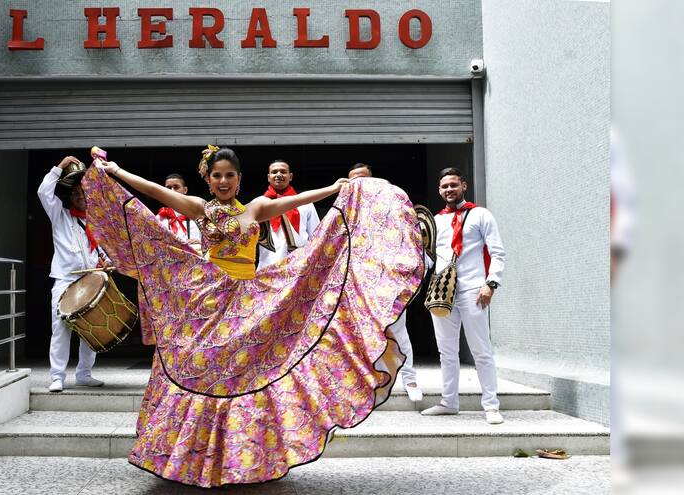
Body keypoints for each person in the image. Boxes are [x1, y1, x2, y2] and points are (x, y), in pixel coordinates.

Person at [80, 147, 424, 487]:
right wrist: (117, 173)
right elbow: (155, 192)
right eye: (217, 175)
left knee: (246, 377)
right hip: (206, 301)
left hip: (247, 302)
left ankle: (246, 458)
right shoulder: (201, 208)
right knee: (205, 374)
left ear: (240, 178)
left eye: (230, 175)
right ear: (208, 179)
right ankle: (189, 455)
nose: (224, 181)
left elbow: (299, 200)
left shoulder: (256, 208)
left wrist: (334, 189)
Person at [420, 167, 506, 424]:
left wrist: (490, 283)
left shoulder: (480, 215)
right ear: (439, 190)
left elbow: (498, 252)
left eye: (453, 185)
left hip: (473, 289)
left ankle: (491, 406)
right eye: (445, 186)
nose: (449, 190)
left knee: (481, 350)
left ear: (464, 186)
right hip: (443, 292)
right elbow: (429, 258)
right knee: (446, 351)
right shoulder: (435, 220)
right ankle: (449, 402)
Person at [348, 163, 424, 402]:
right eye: (354, 181)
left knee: (398, 328)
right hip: (359, 282)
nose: (360, 185)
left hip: (390, 280)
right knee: (363, 334)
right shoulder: (346, 212)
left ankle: (409, 379)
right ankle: (373, 382)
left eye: (364, 179)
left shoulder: (392, 205)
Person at [37, 154, 109, 393]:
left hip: (90, 279)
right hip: (65, 279)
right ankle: (57, 376)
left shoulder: (97, 221)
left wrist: (105, 263)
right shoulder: (59, 215)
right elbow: (43, 192)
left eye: (84, 193)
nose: (80, 197)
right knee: (61, 327)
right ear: (71, 197)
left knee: (90, 328)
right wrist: (59, 167)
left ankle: (84, 374)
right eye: (76, 194)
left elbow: (105, 251)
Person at [258, 159, 320, 267]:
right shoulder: (259, 204)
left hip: (299, 266)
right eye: (274, 172)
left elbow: (316, 236)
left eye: (283, 171)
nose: (278, 174)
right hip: (268, 265)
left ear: (290, 176)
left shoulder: (306, 203)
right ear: (268, 177)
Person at [155, 173, 202, 250]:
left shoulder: (198, 215)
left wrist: (202, 243)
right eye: (168, 188)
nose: (172, 191)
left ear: (185, 190)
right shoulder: (159, 218)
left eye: (176, 187)